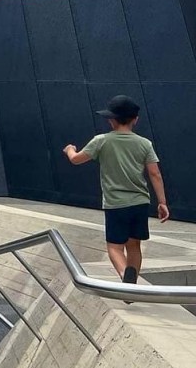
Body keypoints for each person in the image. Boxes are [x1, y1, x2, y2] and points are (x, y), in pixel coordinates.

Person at [63, 94, 169, 284]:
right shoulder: (144, 143)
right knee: (134, 245)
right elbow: (155, 174)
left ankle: (124, 276)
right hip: (139, 203)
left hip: (115, 204)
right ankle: (133, 280)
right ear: (135, 119)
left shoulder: (101, 141)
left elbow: (76, 159)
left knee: (114, 247)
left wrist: (70, 149)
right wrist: (162, 202)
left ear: (111, 120)